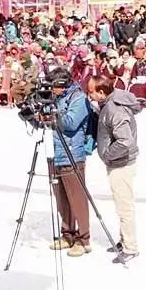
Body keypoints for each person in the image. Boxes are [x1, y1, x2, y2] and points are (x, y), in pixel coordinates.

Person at [87, 75, 142, 264]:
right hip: (118, 161)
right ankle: (124, 240)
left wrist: (108, 154)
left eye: (92, 91)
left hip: (121, 163)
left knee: (124, 206)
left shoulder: (114, 110)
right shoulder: (109, 102)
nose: (90, 94)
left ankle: (130, 247)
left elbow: (125, 141)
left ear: (102, 92)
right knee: (121, 204)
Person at [50, 67, 95, 257]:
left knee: (77, 199)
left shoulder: (79, 99)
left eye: (54, 87)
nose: (52, 90)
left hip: (72, 154)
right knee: (62, 199)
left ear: (63, 84)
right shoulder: (55, 99)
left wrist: (53, 111)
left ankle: (83, 239)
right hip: (55, 152)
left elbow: (69, 123)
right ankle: (67, 234)